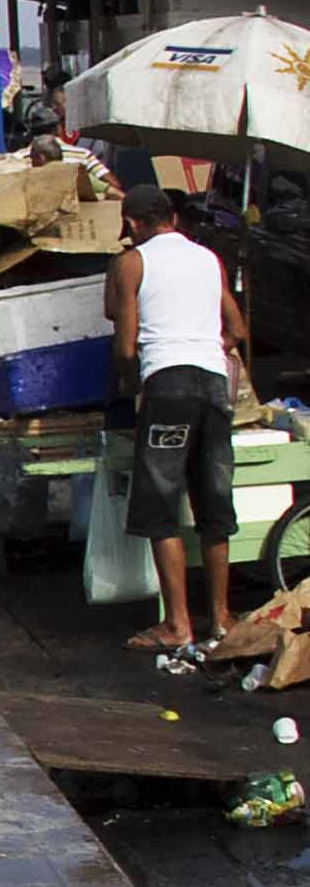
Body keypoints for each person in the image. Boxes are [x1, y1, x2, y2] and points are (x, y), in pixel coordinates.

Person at [111, 188, 250, 664]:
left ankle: (176, 624)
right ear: (172, 217)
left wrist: (132, 386)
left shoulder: (131, 264)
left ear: (130, 222)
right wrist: (214, 344)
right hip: (213, 386)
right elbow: (238, 330)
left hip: (168, 387)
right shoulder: (207, 258)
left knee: (159, 499)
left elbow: (126, 345)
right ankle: (222, 617)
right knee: (214, 500)